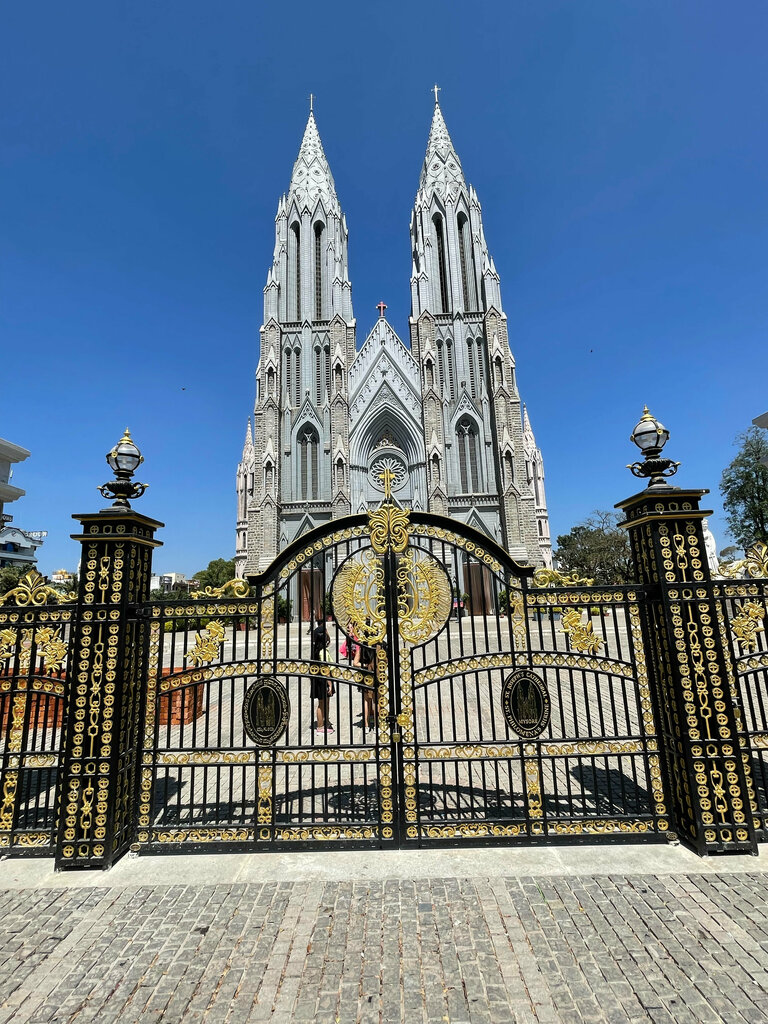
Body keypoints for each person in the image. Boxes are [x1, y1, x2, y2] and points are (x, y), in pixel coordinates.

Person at [310, 615, 333, 733]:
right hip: (323, 680)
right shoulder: (322, 652)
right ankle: (320, 726)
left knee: (324, 702)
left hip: (319, 679)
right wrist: (330, 684)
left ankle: (325, 722)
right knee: (322, 703)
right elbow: (326, 669)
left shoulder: (316, 651)